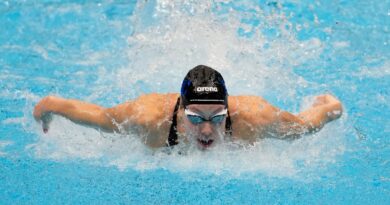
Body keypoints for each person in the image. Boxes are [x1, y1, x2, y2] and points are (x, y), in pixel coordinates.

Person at [33, 65, 343, 150]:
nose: (207, 130)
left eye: (217, 118)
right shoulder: (149, 117)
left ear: (227, 111)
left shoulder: (253, 117)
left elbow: (304, 125)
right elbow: (100, 116)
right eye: (195, 118)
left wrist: (331, 107)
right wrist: (51, 105)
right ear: (180, 111)